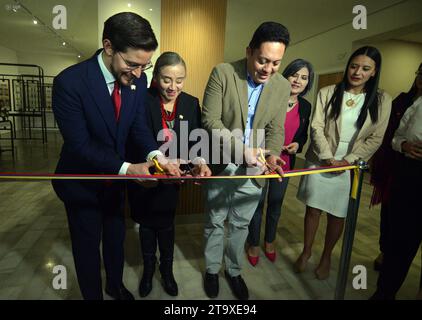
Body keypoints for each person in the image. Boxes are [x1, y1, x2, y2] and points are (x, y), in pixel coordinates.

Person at [52, 12, 180, 300]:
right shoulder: (70, 83)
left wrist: (155, 155)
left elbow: (137, 127)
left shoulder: (138, 79)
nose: (138, 73)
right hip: (81, 184)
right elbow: (79, 145)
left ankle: (115, 284)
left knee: (115, 236)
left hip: (115, 184)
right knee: (86, 247)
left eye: (144, 65)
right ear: (108, 46)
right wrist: (127, 168)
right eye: (131, 64)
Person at [201, 21, 291, 300]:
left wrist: (274, 154)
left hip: (257, 166)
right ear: (249, 51)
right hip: (222, 160)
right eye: (263, 60)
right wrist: (241, 150)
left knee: (241, 223)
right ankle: (212, 270)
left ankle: (234, 270)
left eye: (276, 62)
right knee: (216, 220)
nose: (268, 69)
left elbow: (276, 128)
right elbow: (210, 120)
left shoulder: (282, 85)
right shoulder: (224, 73)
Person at [295, 46, 392, 280]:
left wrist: (347, 161)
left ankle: (327, 255)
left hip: (349, 165)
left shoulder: (381, 100)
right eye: (354, 66)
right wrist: (328, 156)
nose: (357, 72)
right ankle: (306, 250)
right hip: (321, 158)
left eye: (365, 68)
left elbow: (375, 138)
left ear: (374, 71)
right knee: (313, 208)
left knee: (338, 213)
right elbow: (316, 126)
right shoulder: (328, 92)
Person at [127, 52, 211, 298]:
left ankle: (166, 270)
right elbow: (135, 136)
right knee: (144, 223)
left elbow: (195, 140)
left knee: (165, 222)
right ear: (155, 77)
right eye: (166, 80)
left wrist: (199, 162)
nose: (173, 87)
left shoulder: (190, 102)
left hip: (173, 177)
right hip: (146, 174)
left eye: (180, 80)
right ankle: (148, 269)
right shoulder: (142, 100)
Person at [247, 59, 314, 266]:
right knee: (256, 204)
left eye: (304, 78)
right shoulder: (269, 96)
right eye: (294, 75)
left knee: (275, 204)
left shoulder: (305, 106)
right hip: (259, 160)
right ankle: (253, 243)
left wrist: (298, 144)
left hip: (284, 163)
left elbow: (302, 135)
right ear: (285, 75)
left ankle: (269, 241)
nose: (297, 81)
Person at [370, 63, 422, 272]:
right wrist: (403, 145)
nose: (421, 78)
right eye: (420, 72)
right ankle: (386, 251)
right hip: (397, 168)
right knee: (390, 215)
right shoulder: (402, 101)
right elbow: (390, 134)